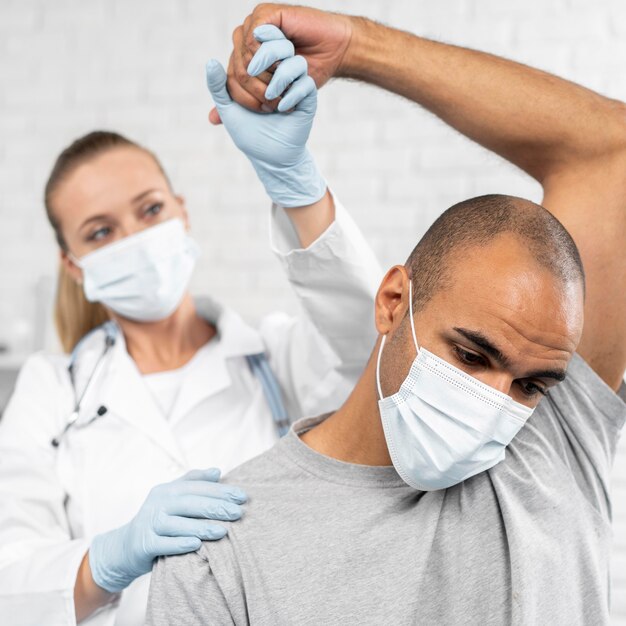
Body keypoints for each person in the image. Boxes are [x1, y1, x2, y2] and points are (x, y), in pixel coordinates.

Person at [146, 11, 626, 626]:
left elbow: (609, 149)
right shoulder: (223, 550)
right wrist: (347, 48)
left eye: (530, 385)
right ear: (394, 302)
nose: (493, 406)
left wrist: (359, 48)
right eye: (471, 356)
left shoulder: (555, 439)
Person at [0, 44, 382, 625]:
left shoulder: (275, 358)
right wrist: (106, 560)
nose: (132, 238)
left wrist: (296, 186)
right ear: (75, 266)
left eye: (149, 210)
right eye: (100, 231)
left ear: (183, 212)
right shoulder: (52, 390)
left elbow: (378, 347)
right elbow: (11, 581)